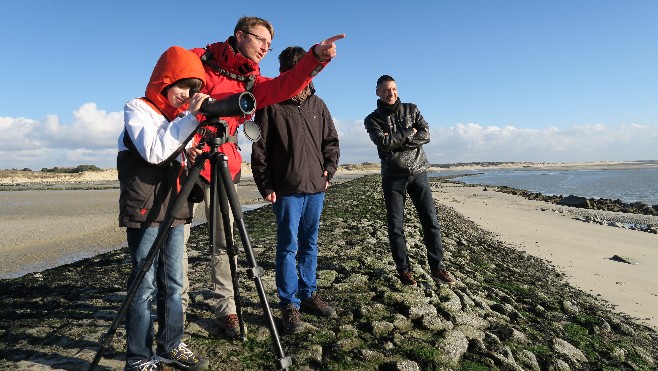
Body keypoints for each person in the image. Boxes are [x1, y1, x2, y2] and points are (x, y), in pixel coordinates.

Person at [182, 16, 345, 338]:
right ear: (240, 35)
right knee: (176, 243)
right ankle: (175, 307)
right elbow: (169, 96)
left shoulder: (253, 83)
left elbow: (289, 88)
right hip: (185, 159)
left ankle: (227, 308)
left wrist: (317, 57)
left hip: (224, 163)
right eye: (261, 41)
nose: (265, 49)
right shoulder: (196, 59)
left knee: (223, 243)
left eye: (270, 45)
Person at [117, 46, 209, 371]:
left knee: (173, 282)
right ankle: (139, 357)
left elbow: (173, 155)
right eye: (183, 86)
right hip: (146, 209)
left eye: (193, 90)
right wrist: (190, 121)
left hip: (175, 207)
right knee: (143, 285)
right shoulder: (137, 109)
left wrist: (193, 149)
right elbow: (154, 152)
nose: (187, 96)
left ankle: (171, 344)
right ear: (165, 81)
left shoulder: (179, 120)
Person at [251, 46, 340, 334]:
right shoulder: (271, 104)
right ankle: (289, 304)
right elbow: (260, 148)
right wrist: (265, 184)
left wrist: (329, 171)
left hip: (316, 186)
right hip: (286, 189)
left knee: (310, 243)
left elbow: (331, 142)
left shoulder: (319, 105)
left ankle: (308, 292)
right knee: (288, 246)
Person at [363, 75, 457, 287]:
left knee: (430, 221)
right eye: (386, 90)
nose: (391, 93)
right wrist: (407, 132)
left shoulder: (412, 109)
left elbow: (426, 135)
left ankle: (438, 267)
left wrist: (397, 141)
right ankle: (403, 270)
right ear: (377, 92)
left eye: (394, 89)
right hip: (392, 177)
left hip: (418, 172)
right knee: (396, 226)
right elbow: (384, 143)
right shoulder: (372, 119)